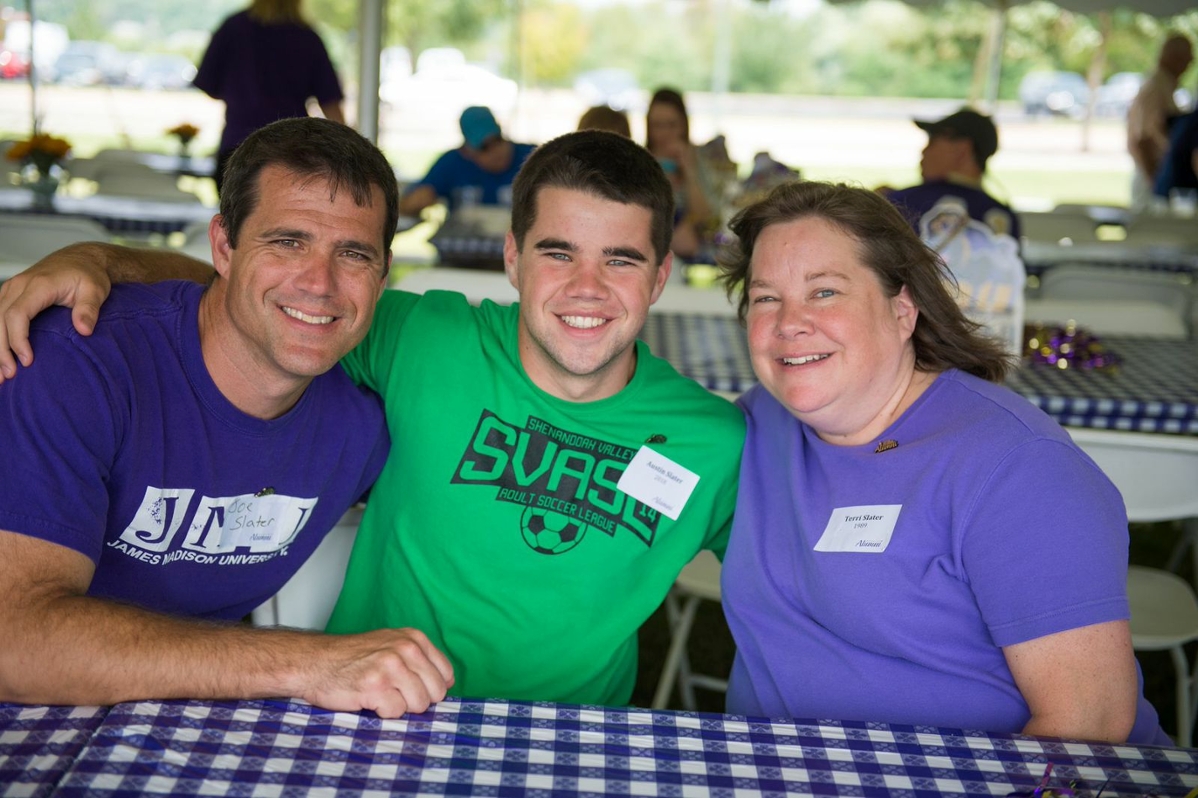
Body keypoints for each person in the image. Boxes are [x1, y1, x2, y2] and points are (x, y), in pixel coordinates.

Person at [0, 130, 745, 709]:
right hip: (371, 718)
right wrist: (104, 259)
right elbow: (262, 299)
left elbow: (817, 554)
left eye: (620, 260)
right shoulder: (421, 338)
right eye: (559, 253)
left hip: (567, 739)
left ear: (661, 276)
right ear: (513, 259)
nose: (586, 288)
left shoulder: (716, 441)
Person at [0, 117, 453, 714]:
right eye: (287, 242)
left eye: (353, 254)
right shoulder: (75, 360)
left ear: (384, 273)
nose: (319, 283)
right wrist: (309, 662)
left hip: (205, 726)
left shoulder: (366, 418)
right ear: (223, 246)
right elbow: (14, 645)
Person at [716, 180, 1166, 745]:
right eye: (765, 297)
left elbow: (1088, 726)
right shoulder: (760, 424)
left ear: (903, 310)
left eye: (825, 292)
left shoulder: (1017, 470)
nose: (789, 322)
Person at [194, 0, 346, 194]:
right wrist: (348, 154)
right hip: (291, 152)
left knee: (234, 220)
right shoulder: (306, 37)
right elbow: (330, 103)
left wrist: (241, 95)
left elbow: (209, 85)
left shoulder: (234, 28)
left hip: (237, 148)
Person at [882, 108, 1021, 241]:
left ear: (962, 149)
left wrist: (880, 201)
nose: (924, 151)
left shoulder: (903, 202)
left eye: (932, 141)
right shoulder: (1003, 216)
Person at [398, 106, 536, 217]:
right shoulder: (452, 163)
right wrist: (418, 201)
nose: (496, 152)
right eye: (484, 148)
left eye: (498, 141)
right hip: (463, 248)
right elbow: (409, 203)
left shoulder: (532, 158)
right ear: (466, 150)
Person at [645, 88, 718, 260]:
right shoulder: (639, 161)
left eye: (671, 125)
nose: (664, 133)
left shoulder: (697, 159)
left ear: (684, 125)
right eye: (657, 125)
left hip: (689, 252)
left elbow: (708, 215)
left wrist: (689, 171)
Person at [1127, 34, 1193, 210]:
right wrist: (1156, 184)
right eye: (1188, 57)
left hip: (1159, 176)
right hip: (1152, 176)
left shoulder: (1164, 86)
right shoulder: (1156, 87)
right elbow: (1143, 140)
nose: (1191, 63)